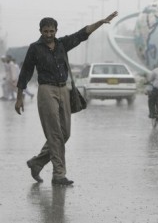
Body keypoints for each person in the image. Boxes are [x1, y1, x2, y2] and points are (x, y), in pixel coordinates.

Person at [15, 11, 118, 185]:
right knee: (55, 134)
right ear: (40, 31)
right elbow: (25, 72)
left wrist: (101, 22)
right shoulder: (35, 48)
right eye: (45, 31)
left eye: (51, 31)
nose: (49, 34)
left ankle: (37, 162)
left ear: (56, 30)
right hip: (47, 90)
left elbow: (82, 34)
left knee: (65, 133)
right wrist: (19, 97)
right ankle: (59, 174)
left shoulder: (62, 44)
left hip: (64, 89)